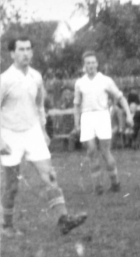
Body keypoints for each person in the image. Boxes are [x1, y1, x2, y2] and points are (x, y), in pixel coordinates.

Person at [0, 37, 88, 236]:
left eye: (29, 49)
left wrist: (43, 131)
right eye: (21, 49)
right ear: (12, 54)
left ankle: (63, 219)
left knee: (50, 176)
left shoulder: (36, 77)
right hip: (10, 135)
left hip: (32, 133)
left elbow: (39, 106)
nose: (26, 53)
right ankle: (6, 226)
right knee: (12, 185)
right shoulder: (4, 80)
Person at [72, 50, 133, 194]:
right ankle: (98, 187)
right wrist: (76, 123)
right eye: (88, 63)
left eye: (93, 63)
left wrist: (129, 115)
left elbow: (121, 98)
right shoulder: (79, 83)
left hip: (102, 116)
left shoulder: (106, 80)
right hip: (86, 117)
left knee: (105, 152)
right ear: (84, 66)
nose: (91, 66)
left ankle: (115, 183)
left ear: (97, 64)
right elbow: (76, 104)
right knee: (92, 151)